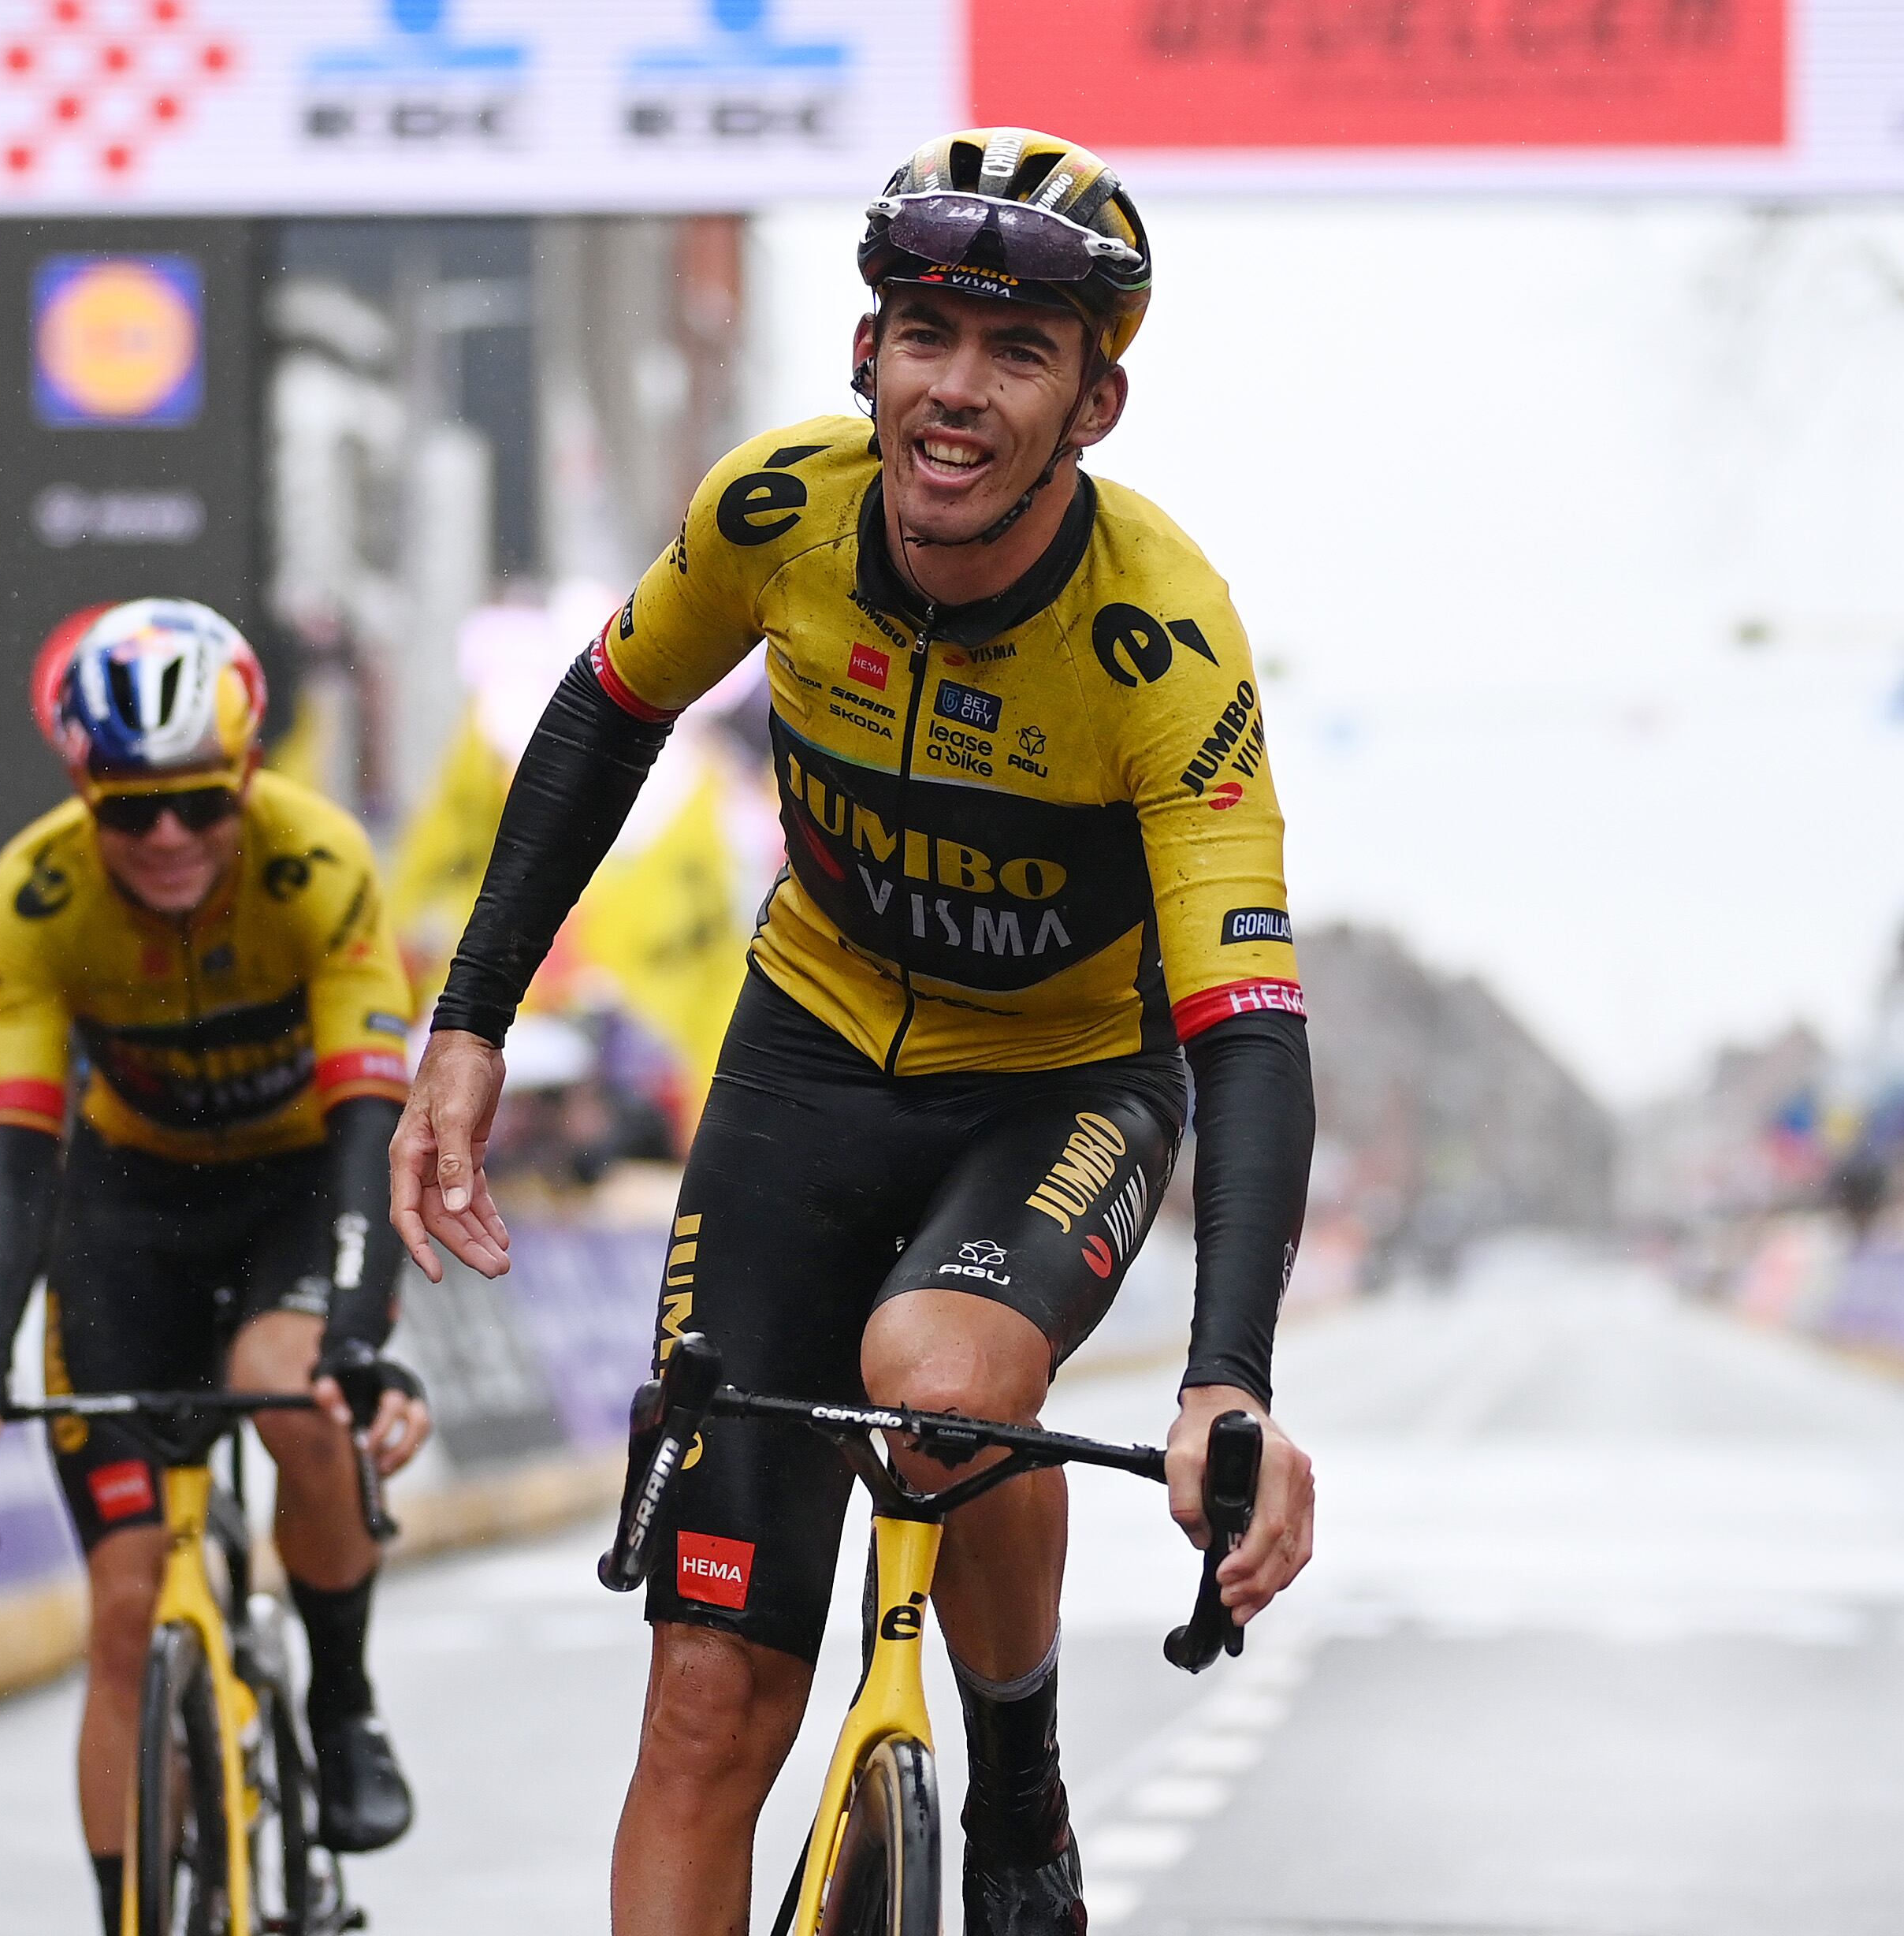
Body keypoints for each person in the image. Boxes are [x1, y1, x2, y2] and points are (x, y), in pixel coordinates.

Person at [391, 128, 1322, 1934]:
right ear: (863, 354)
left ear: (1093, 404)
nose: (955, 392)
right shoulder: (774, 513)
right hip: (805, 1056)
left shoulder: (1162, 641)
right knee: (702, 1701)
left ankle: (1021, 1772)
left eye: (1017, 352)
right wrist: (469, 1024)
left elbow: (1251, 1028)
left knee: (940, 1377)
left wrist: (1231, 1378)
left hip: (1055, 1080)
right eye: (924, 335)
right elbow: (600, 714)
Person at [0, 598, 433, 1936]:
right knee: (125, 1604)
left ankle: (342, 1696)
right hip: (127, 1205)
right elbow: (14, 1153)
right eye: (130, 810)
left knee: (286, 1385)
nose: (169, 838)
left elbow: (373, 1125)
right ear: (85, 794)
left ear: (246, 776)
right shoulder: (36, 894)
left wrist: (357, 1338)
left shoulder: (317, 864)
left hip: (299, 1188)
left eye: (197, 803)